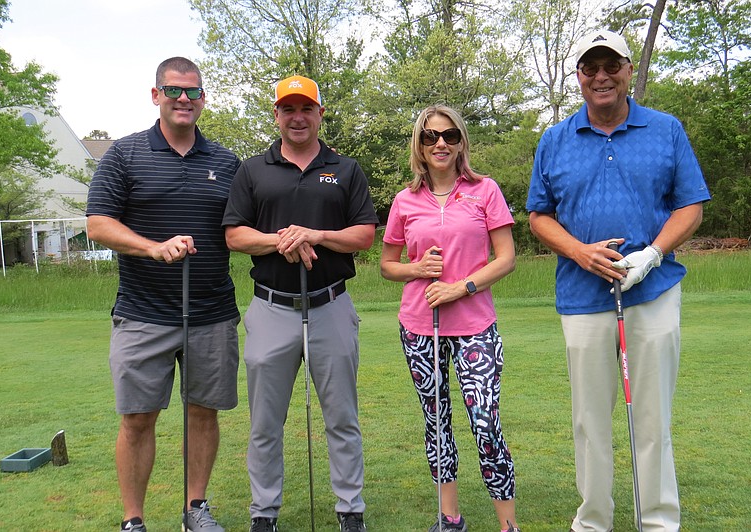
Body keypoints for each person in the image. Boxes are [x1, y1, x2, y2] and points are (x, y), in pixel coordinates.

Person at [526, 30, 711, 532]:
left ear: (629, 69)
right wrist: (579, 252)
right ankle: (594, 522)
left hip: (652, 291)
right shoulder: (555, 138)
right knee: (589, 422)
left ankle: (658, 522)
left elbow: (690, 204)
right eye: (591, 67)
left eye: (612, 65)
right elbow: (539, 216)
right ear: (579, 76)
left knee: (652, 419)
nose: (601, 76)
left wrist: (652, 254)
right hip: (582, 297)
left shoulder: (666, 129)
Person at [86, 57, 240, 532]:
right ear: (156, 95)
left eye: (193, 93)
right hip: (143, 313)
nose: (183, 100)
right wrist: (152, 248)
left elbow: (244, 227)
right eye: (174, 91)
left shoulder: (225, 162)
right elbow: (98, 225)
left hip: (211, 311)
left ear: (203, 100)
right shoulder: (125, 154)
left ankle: (195, 509)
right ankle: (133, 519)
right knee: (137, 419)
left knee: (202, 414)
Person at [222, 75, 378, 532]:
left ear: (319, 113)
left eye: (306, 108)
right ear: (276, 114)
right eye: (288, 109)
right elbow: (234, 233)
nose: (297, 117)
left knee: (342, 418)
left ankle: (351, 510)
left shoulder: (345, 169)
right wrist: (281, 241)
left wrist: (316, 235)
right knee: (265, 423)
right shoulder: (253, 170)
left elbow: (365, 235)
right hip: (271, 309)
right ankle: (263, 513)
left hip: (331, 306)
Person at [380, 104, 521, 532]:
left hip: (474, 324)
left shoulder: (485, 191)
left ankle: (508, 524)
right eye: (429, 136)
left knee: (485, 422)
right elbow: (388, 265)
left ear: (461, 142)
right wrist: (418, 270)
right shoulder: (405, 200)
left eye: (449, 135)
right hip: (419, 327)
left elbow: (507, 258)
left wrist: (462, 287)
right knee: (437, 421)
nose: (440, 143)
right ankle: (449, 518)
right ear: (419, 146)